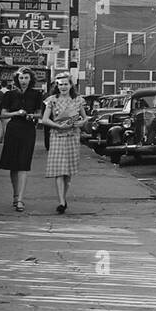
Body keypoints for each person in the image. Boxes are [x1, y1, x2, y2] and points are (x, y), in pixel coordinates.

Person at [0, 67, 44, 211]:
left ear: (31, 79)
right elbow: (3, 114)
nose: (23, 81)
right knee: (13, 165)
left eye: (26, 78)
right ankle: (15, 195)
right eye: (21, 78)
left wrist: (32, 115)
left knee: (23, 164)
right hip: (13, 129)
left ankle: (20, 200)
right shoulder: (10, 94)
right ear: (17, 79)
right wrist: (16, 112)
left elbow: (40, 114)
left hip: (28, 130)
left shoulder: (37, 94)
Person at [41, 72, 87, 213]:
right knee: (59, 171)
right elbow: (45, 119)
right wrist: (57, 126)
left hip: (72, 137)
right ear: (57, 85)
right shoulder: (52, 100)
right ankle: (61, 202)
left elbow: (85, 118)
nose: (63, 87)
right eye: (60, 84)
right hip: (57, 137)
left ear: (71, 85)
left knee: (68, 173)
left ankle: (63, 198)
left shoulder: (78, 100)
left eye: (66, 84)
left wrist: (80, 123)